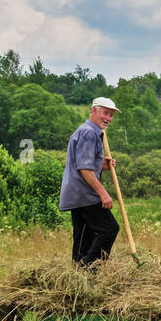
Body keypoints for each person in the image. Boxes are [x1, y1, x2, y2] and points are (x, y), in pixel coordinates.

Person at [60, 97, 120, 265]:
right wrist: (103, 194)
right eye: (105, 113)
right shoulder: (89, 132)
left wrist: (102, 164)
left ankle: (78, 276)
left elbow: (84, 162)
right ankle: (90, 270)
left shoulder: (87, 131)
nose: (108, 118)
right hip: (84, 194)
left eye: (111, 115)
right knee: (109, 229)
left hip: (75, 194)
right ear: (94, 110)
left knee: (84, 237)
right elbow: (84, 169)